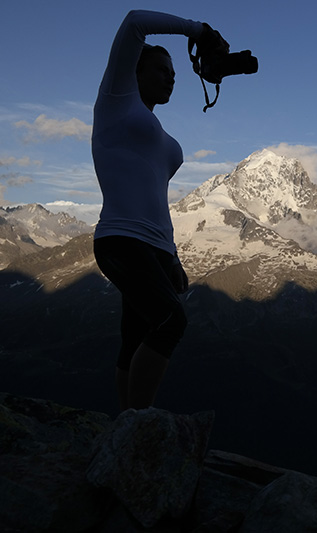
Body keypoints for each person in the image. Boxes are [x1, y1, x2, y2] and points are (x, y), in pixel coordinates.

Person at [92, 10, 220, 410]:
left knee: (136, 336)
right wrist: (199, 31)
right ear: (135, 71)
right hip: (121, 238)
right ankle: (141, 425)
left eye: (174, 72)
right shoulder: (116, 101)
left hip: (157, 247)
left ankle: (128, 426)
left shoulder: (154, 129)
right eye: (163, 69)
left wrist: (174, 255)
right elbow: (134, 22)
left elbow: (155, 197)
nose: (172, 76)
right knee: (171, 321)